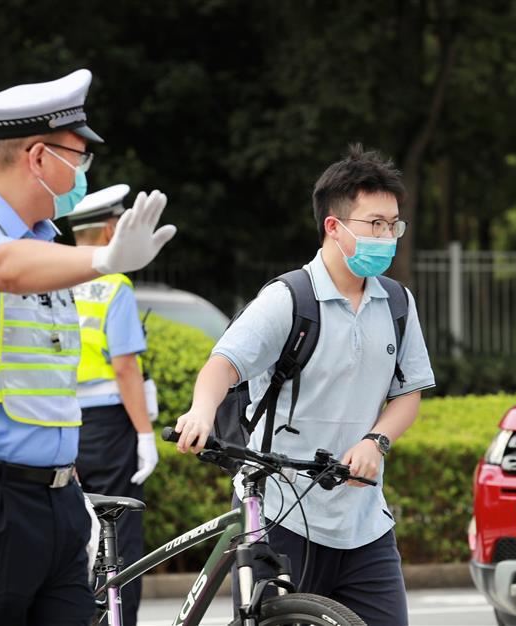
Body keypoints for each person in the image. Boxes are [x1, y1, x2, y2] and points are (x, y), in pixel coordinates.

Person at [0, 69, 176, 626]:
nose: (84, 173)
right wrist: (102, 260)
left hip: (57, 503)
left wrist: (68, 497)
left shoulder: (45, 244)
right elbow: (2, 268)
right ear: (40, 156)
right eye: (81, 156)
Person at [174, 143, 435, 626]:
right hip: (280, 514)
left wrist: (376, 442)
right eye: (373, 224)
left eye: (393, 225)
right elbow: (223, 364)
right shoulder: (289, 299)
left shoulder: (398, 303)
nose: (387, 236)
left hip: (364, 522)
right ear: (333, 227)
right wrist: (200, 411)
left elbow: (408, 392)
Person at [68, 184, 158, 626]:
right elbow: (125, 368)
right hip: (108, 426)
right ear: (110, 231)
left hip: (60, 423)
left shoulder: (56, 278)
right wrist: (144, 433)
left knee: (71, 537)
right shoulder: (113, 285)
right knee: (118, 535)